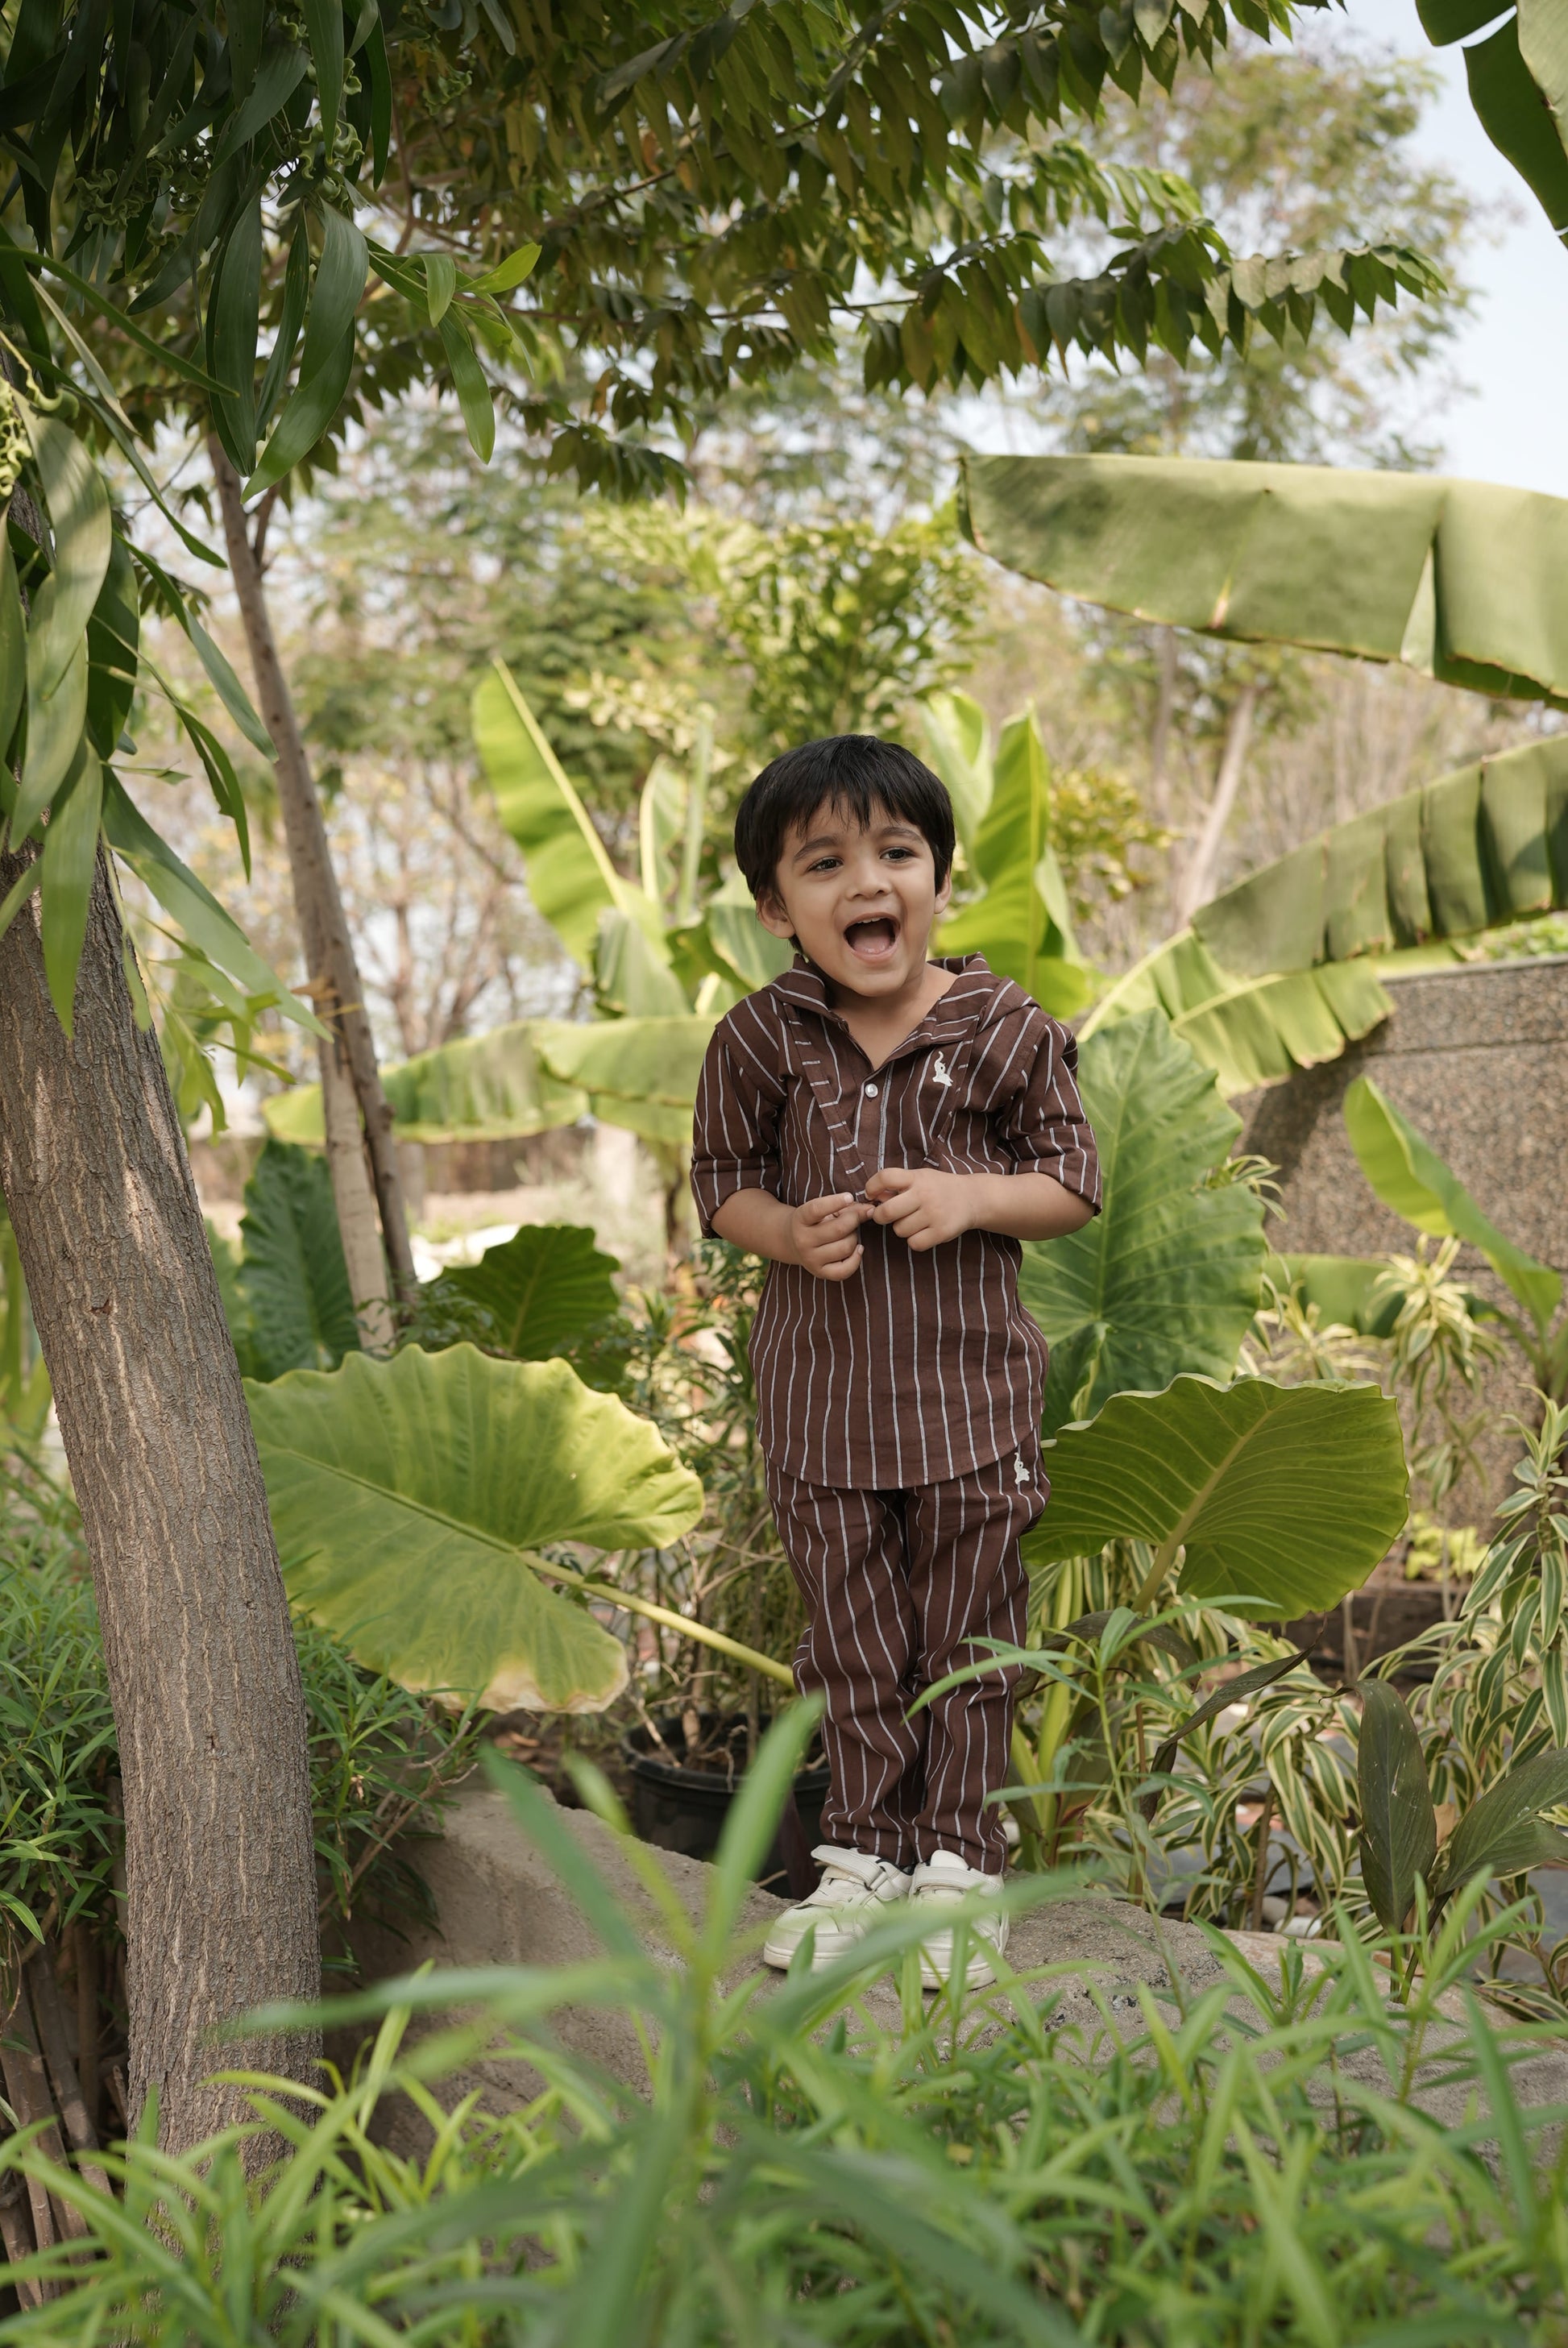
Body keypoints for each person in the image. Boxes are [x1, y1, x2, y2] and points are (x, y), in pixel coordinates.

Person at [689, 734, 1100, 1989]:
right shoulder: (760, 1039)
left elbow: (1071, 1183)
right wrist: (784, 1230)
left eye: (895, 853)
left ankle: (958, 1863)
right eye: (825, 862)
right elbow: (716, 1185)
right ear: (777, 908)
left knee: (968, 1638)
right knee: (852, 1645)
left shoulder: (1001, 1025)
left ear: (937, 879)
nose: (865, 879)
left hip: (971, 1408)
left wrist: (969, 1199)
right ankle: (863, 1852)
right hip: (823, 1415)